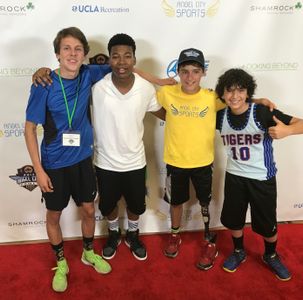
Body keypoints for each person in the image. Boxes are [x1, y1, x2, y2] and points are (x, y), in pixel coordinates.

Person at [156, 49, 274, 271]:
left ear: (203, 73)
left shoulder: (212, 97)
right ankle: (174, 235)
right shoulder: (166, 93)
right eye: (185, 71)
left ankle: (209, 239)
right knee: (175, 202)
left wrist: (257, 100)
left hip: (203, 162)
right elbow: (146, 100)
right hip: (175, 161)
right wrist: (158, 85)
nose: (190, 77)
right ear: (178, 73)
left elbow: (236, 101)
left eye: (195, 71)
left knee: (204, 202)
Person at [25, 27, 112, 293]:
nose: (72, 54)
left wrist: (161, 81)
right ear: (57, 54)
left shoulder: (89, 73)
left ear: (85, 54)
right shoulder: (44, 84)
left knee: (88, 209)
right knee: (54, 214)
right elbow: (29, 129)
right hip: (54, 163)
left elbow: (123, 68)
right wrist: (38, 170)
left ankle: (88, 252)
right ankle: (61, 262)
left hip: (83, 159)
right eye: (66, 48)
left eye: (77, 49)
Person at [215, 68, 303, 281]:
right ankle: (238, 251)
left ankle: (270, 254)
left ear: (248, 92)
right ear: (223, 94)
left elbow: (299, 123)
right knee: (234, 220)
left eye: (240, 90)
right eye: (230, 91)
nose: (235, 96)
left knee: (266, 223)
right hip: (234, 175)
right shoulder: (219, 116)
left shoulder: (261, 112)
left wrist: (287, 131)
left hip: (262, 177)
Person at [92, 33, 166, 261]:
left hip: (135, 161)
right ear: (109, 59)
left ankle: (133, 233)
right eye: (116, 56)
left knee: (136, 205)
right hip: (105, 162)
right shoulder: (96, 87)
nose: (121, 61)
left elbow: (165, 113)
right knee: (107, 205)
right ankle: (113, 232)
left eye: (127, 56)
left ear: (134, 59)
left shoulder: (145, 88)